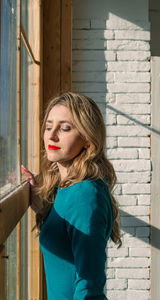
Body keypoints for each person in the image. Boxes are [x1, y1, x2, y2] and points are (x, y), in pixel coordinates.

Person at [21, 92, 122, 300]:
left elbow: (89, 286)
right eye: (49, 127)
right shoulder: (67, 188)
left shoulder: (85, 195)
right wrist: (44, 208)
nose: (52, 135)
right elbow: (68, 242)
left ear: (87, 138)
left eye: (65, 128)